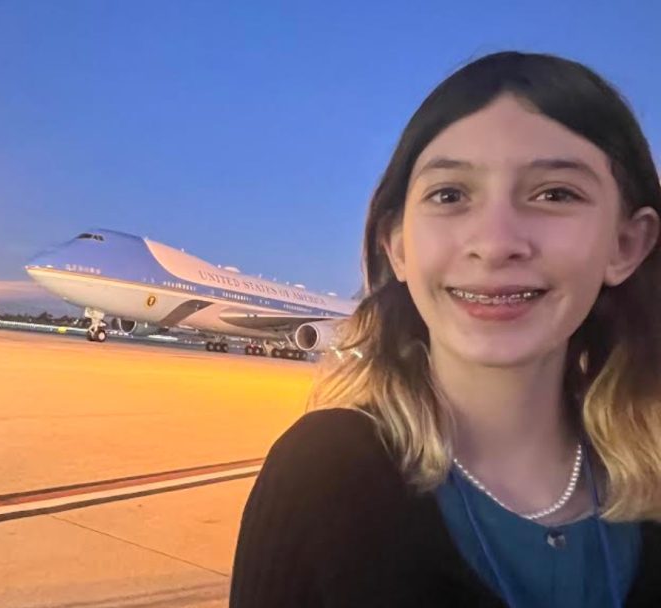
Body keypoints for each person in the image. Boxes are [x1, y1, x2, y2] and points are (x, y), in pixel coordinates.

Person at [229, 51, 661, 607]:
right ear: (398, 246)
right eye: (450, 195)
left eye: (555, 194)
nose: (495, 243)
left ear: (625, 244)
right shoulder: (323, 478)